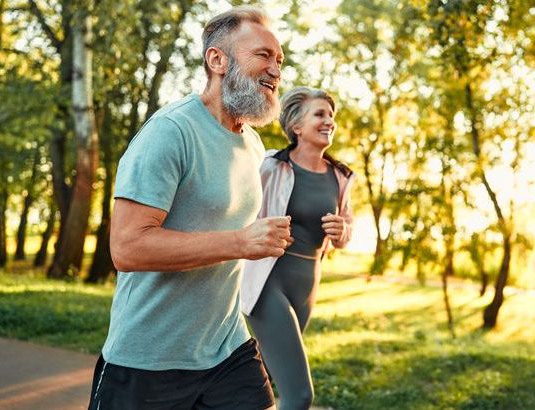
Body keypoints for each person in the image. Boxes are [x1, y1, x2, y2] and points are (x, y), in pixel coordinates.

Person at [88, 6, 291, 410]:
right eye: (263, 56)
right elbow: (127, 248)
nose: (275, 70)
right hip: (149, 357)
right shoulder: (170, 132)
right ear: (217, 60)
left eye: (280, 60)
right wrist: (240, 242)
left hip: (226, 346)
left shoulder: (251, 144)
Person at [241, 87, 355, 410]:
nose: (329, 121)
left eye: (331, 116)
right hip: (268, 281)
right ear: (297, 127)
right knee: (299, 394)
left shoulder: (341, 177)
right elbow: (240, 213)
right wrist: (261, 232)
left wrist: (342, 230)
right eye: (320, 114)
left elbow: (347, 232)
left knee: (261, 381)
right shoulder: (270, 166)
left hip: (307, 284)